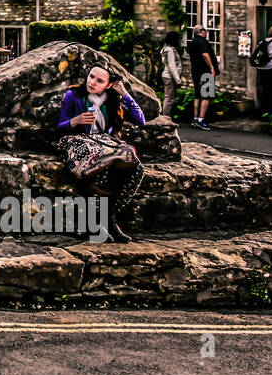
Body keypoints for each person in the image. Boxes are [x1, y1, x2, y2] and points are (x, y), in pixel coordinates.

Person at [57, 63, 147, 243]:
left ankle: (110, 219)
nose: (92, 82)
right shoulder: (73, 96)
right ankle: (96, 224)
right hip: (79, 143)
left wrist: (125, 94)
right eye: (91, 76)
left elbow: (140, 120)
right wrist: (75, 120)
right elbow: (60, 127)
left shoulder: (113, 100)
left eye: (99, 80)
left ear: (108, 85)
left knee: (136, 168)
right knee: (101, 164)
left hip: (105, 144)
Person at [186, 25, 218, 130]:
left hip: (196, 71)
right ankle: (201, 119)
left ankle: (195, 119)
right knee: (206, 96)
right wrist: (212, 67)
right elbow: (205, 54)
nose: (206, 31)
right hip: (205, 71)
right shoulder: (202, 42)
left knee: (197, 95)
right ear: (201, 31)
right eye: (204, 29)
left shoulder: (192, 42)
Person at [158, 31, 182, 117]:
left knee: (169, 98)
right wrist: (178, 80)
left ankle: (166, 116)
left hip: (167, 75)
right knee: (169, 99)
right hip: (170, 77)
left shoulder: (166, 49)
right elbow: (172, 66)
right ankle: (166, 117)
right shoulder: (170, 50)